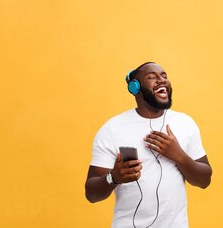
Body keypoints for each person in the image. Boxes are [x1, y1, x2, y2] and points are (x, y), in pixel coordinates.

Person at [85, 62, 213, 228]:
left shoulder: (185, 123)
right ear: (134, 88)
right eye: (152, 77)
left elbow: (204, 181)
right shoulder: (112, 129)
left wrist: (178, 156)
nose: (161, 80)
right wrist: (114, 177)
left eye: (164, 76)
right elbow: (91, 194)